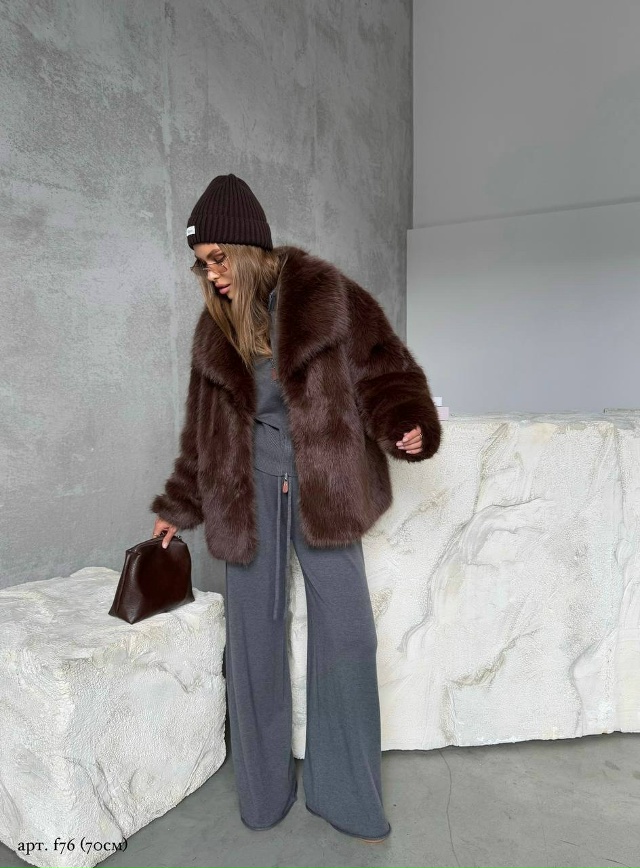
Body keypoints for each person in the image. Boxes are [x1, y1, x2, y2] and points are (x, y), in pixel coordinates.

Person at [149, 173, 442, 843]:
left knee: (347, 634)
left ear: (249, 248)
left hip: (325, 487)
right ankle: (265, 794)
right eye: (202, 263)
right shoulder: (215, 328)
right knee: (254, 638)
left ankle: (346, 797)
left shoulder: (326, 297)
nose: (211, 273)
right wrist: (180, 503)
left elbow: (386, 369)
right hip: (245, 492)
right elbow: (203, 431)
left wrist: (406, 423)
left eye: (218, 257)